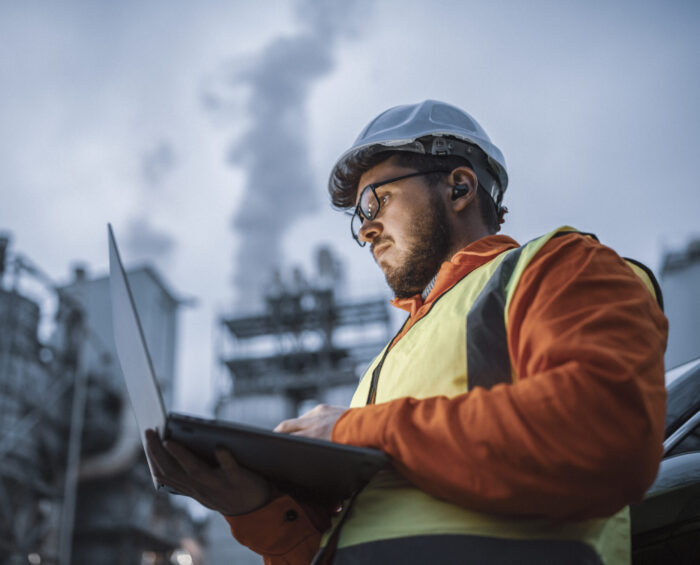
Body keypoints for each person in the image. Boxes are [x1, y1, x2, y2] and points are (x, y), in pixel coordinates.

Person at [146, 100, 668, 564]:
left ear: (459, 187)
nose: (366, 228)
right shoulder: (386, 363)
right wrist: (256, 508)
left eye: (376, 202)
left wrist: (353, 430)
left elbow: (605, 433)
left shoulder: (558, 267)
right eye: (358, 218)